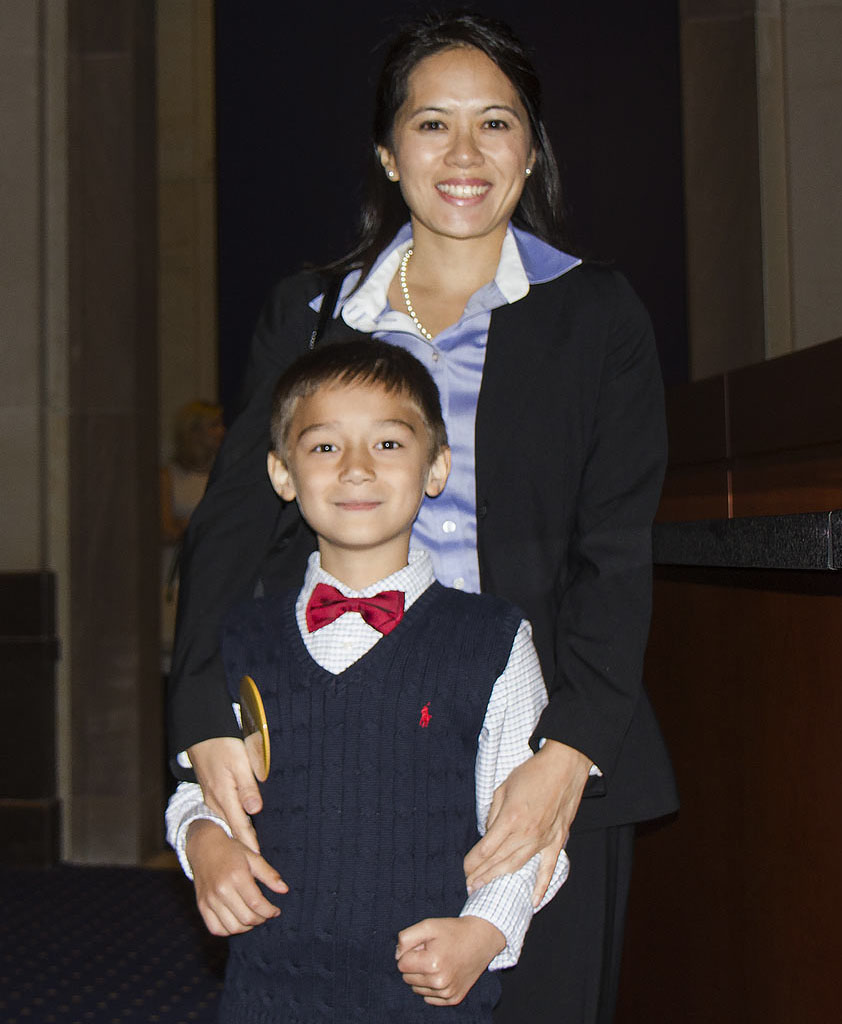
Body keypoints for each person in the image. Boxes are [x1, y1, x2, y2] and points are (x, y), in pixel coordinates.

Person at [167, 12, 678, 1022]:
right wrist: (202, 718)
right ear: (387, 153)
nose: (463, 153)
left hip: (536, 742)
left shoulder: (596, 314)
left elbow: (616, 554)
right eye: (431, 123)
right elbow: (230, 529)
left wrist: (563, 753)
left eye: (495, 123)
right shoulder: (313, 314)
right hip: (333, 744)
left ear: (529, 151)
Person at [167, 340, 569, 1021]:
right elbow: (196, 787)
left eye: (388, 443)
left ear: (437, 467)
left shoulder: (494, 640)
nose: (355, 469)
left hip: (427, 994)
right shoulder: (237, 639)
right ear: (282, 472)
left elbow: (524, 831)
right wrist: (201, 841)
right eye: (324, 448)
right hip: (268, 988)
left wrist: (484, 934)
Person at [160, 400, 225, 668]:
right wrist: (197, 524)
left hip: (215, 570)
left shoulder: (223, 476)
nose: (222, 431)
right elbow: (166, 530)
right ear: (193, 432)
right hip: (177, 572)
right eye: (213, 426)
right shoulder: (169, 476)